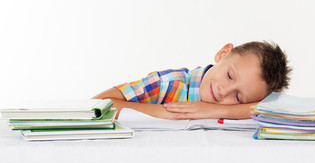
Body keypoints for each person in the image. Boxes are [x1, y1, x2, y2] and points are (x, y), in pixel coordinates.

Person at [92, 41, 292, 120]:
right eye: (229, 76)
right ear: (222, 54)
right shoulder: (168, 83)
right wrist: (166, 113)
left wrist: (217, 110)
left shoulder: (238, 108)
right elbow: (96, 105)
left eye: (238, 96)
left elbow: (279, 109)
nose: (224, 91)